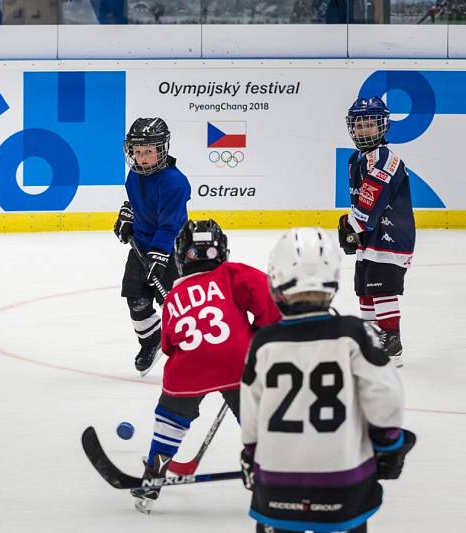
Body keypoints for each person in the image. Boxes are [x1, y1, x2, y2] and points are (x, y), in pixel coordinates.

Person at [240, 227, 416, 533]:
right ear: (333, 276)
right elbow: (384, 395)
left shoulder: (264, 342)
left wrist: (250, 454)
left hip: (277, 486)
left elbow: (251, 412)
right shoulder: (354, 334)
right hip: (343, 485)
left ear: (275, 278)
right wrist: (389, 446)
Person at [130, 219, 282, 514]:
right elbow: (268, 297)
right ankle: (267, 470)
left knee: (171, 417)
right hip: (237, 361)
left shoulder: (174, 296)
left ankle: (154, 474)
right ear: (221, 251)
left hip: (187, 370)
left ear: (180, 256)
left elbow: (169, 342)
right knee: (256, 416)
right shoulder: (230, 273)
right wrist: (261, 333)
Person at [338, 96, 414, 367]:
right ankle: (372, 339)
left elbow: (371, 203)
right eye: (359, 125)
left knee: (382, 289)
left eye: (370, 124)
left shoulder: (386, 159)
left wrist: (353, 227)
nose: (363, 130)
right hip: (370, 239)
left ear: (383, 127)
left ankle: (391, 343)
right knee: (365, 290)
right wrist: (354, 229)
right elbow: (358, 201)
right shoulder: (355, 158)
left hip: (390, 239)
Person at [113, 117, 190, 376]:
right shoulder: (133, 176)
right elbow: (140, 207)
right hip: (142, 247)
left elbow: (171, 224)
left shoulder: (175, 183)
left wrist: (159, 254)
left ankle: (189, 352)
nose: (142, 157)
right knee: (135, 299)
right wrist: (128, 218)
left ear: (161, 149)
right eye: (137, 152)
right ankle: (150, 342)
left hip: (170, 251)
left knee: (175, 306)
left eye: (148, 152)